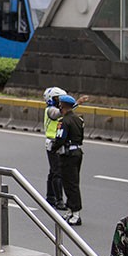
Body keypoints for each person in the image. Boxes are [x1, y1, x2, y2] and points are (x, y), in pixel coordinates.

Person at [51, 94, 85, 226]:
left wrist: (53, 148)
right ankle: (70, 210)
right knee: (73, 182)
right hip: (77, 152)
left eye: (60, 105)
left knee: (70, 184)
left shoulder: (64, 121)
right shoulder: (78, 119)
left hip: (68, 155)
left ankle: (76, 213)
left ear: (62, 106)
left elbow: (60, 139)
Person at [42, 87, 67, 209]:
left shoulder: (56, 109)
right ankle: (59, 200)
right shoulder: (50, 110)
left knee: (53, 171)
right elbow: (58, 113)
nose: (60, 102)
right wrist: (76, 103)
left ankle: (50, 197)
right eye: (58, 99)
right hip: (53, 143)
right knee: (58, 172)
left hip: (58, 143)